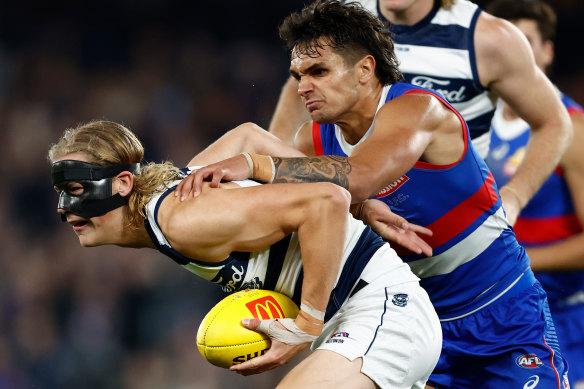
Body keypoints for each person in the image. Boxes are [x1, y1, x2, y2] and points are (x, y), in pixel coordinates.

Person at [176, 1, 570, 387]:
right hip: (413, 319)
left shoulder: (419, 109)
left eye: (318, 71)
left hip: (501, 310)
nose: (302, 88)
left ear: (365, 69)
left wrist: (256, 162)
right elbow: (295, 208)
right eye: (298, 75)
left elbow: (359, 176)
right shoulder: (311, 141)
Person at [48, 120, 442, 389]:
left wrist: (306, 323)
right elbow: (247, 138)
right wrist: (356, 204)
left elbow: (326, 202)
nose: (63, 208)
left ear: (121, 183)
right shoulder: (171, 194)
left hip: (383, 311)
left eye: (78, 191)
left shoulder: (184, 219)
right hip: (361, 319)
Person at [268, 0, 572, 227]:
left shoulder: (487, 38)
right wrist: (273, 177)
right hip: (364, 222)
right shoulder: (344, 21)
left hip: (455, 229)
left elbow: (555, 122)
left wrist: (514, 197)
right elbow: (302, 89)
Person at [484, 0, 584, 386]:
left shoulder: (572, 131)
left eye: (526, 42)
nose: (514, 54)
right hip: (493, 317)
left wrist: (516, 261)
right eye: (505, 42)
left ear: (547, 51)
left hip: (562, 321)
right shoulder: (469, 123)